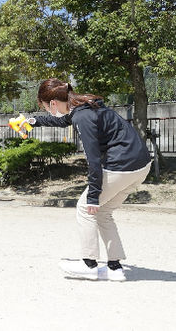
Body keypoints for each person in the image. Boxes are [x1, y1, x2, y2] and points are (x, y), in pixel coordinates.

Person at [22, 78, 151, 281]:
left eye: (47, 107)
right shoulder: (84, 107)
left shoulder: (82, 117)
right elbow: (62, 121)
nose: (49, 111)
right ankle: (115, 268)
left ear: (53, 103)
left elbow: (93, 160)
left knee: (85, 208)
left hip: (122, 165)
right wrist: (33, 121)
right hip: (142, 165)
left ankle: (89, 264)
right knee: (104, 212)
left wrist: (93, 195)